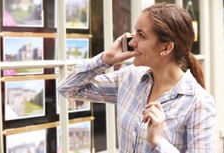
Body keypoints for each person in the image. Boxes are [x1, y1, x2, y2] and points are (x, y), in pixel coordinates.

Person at [58, 3, 216, 153]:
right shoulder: (129, 78)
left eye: (141, 35)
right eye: (135, 33)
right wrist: (105, 59)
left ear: (166, 48)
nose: (132, 42)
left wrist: (158, 142)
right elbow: (67, 88)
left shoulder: (198, 102)